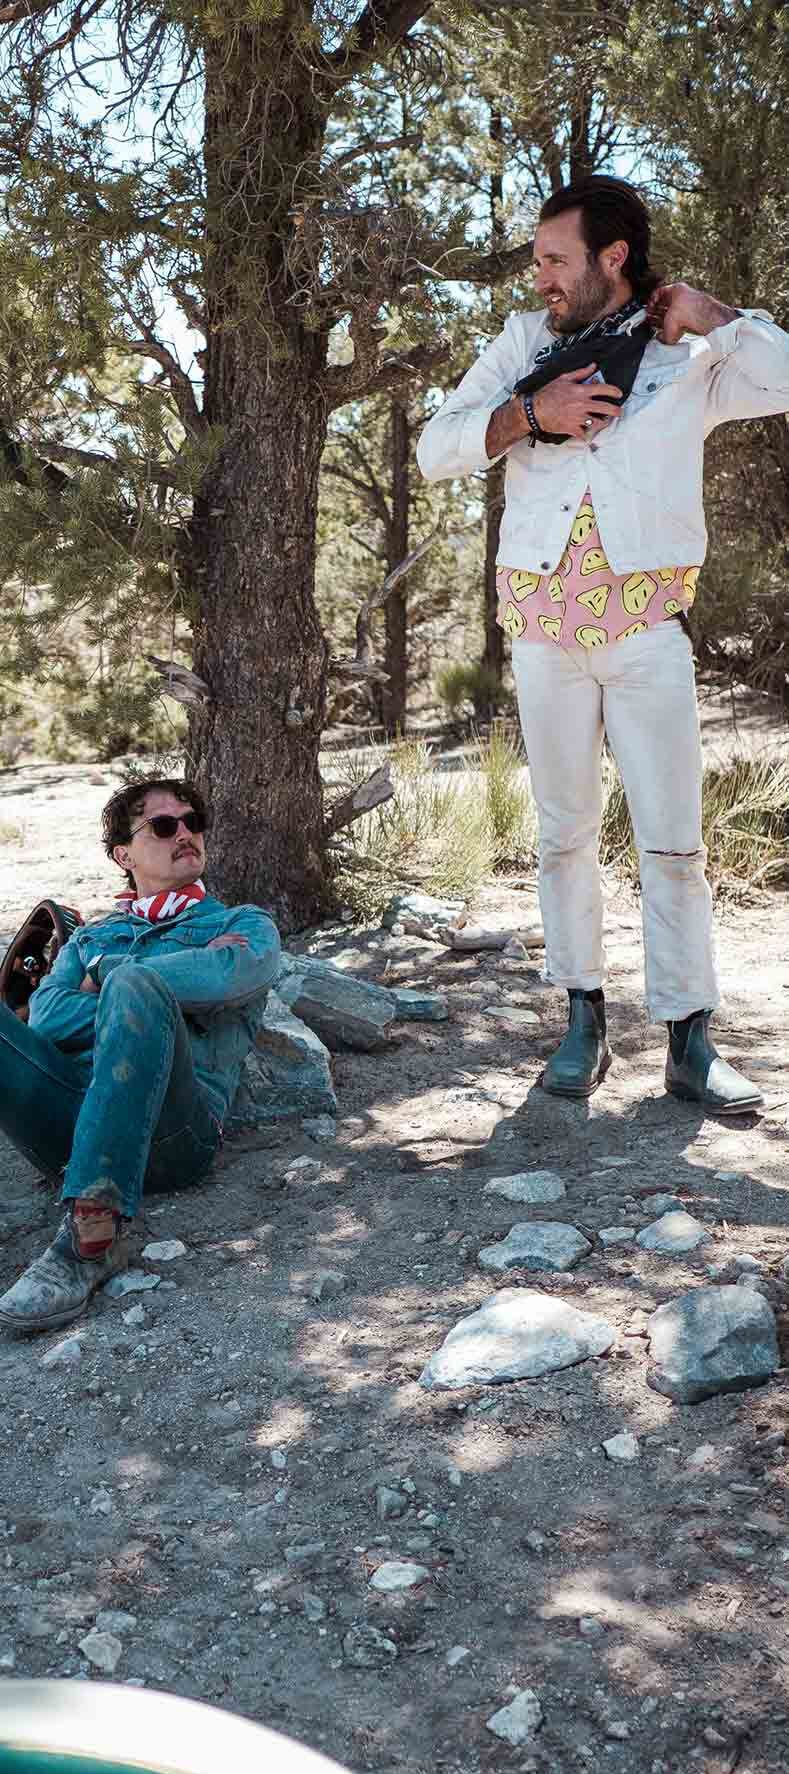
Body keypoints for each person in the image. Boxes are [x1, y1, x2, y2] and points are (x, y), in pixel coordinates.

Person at [417, 174, 789, 1112]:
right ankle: (581, 1023)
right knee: (561, 837)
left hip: (645, 633)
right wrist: (523, 418)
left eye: (553, 259)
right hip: (542, 637)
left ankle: (688, 1039)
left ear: (610, 258)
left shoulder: (686, 354)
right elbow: (438, 444)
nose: (538, 276)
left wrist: (721, 317)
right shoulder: (520, 347)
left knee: (673, 842)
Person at [0, 775, 281, 1333]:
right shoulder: (93, 937)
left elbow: (232, 975)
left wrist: (117, 981)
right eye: (164, 826)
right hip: (66, 1121)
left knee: (136, 986)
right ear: (125, 855)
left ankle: (94, 1236)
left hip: (174, 1134)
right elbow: (47, 1016)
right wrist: (152, 995)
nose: (185, 834)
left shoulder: (242, 924)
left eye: (193, 823)